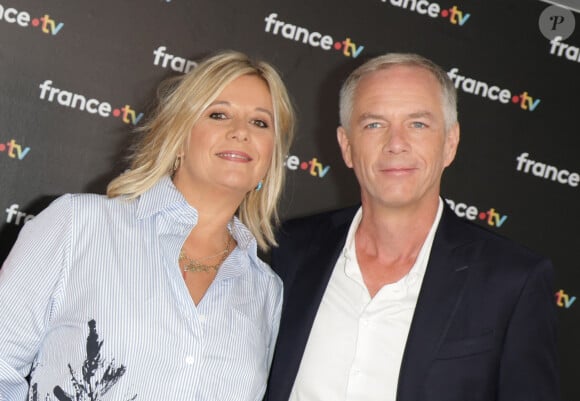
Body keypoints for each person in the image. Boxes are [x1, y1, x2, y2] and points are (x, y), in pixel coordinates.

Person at [0, 50, 295, 401]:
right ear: (180, 135)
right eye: (219, 114)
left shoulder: (267, 292)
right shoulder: (78, 225)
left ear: (271, 156)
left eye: (260, 123)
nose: (241, 132)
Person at [266, 53, 560, 401]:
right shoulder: (287, 250)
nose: (396, 144)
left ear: (450, 143)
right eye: (374, 124)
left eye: (418, 124)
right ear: (346, 146)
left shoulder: (512, 281)